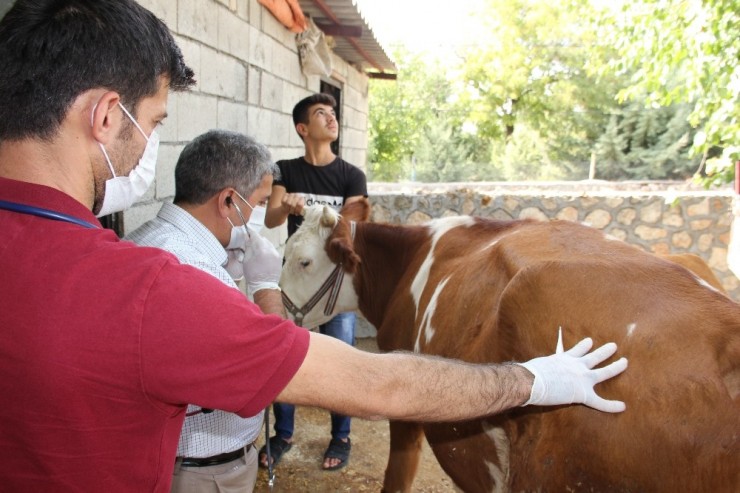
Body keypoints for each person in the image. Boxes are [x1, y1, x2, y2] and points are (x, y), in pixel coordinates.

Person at [0, 1, 628, 491]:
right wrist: (533, 380)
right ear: (107, 117)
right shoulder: (149, 290)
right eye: (156, 120)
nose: (150, 144)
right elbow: (381, 386)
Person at [125, 130, 282, 493]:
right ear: (228, 200)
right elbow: (270, 372)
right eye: (258, 203)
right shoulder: (197, 272)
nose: (260, 214)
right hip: (204, 472)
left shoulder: (144, 238)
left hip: (165, 458)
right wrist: (265, 288)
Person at [262, 93, 367, 471]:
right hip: (297, 280)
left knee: (342, 360)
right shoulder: (285, 170)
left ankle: (340, 437)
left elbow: (355, 225)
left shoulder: (351, 175)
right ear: (303, 129)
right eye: (321, 114)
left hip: (334, 286)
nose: (331, 118)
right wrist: (285, 206)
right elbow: (272, 220)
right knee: (283, 354)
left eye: (333, 113)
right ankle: (283, 434)